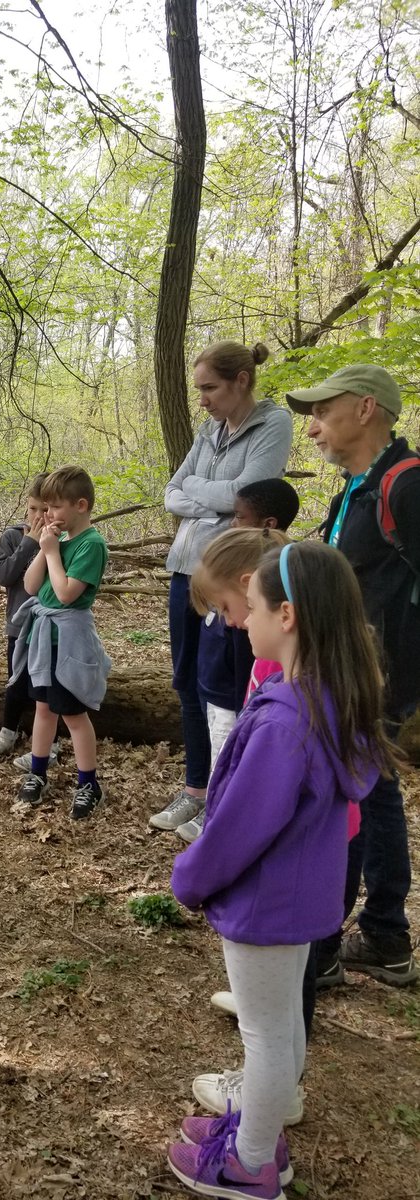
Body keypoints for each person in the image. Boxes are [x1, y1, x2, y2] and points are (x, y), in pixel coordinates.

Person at [167, 541, 395, 1200]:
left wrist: (190, 876)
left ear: (287, 615)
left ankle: (250, 1163)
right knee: (283, 1022)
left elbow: (240, 826)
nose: (241, 622)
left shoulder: (285, 721)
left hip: (266, 901)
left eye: (252, 607)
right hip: (302, 897)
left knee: (264, 1036)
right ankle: (261, 1134)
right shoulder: (329, 698)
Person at [286, 364, 419, 987]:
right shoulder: (357, 487)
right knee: (372, 792)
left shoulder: (406, 486)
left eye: (322, 412)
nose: (312, 428)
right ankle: (381, 937)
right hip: (348, 668)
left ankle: (328, 946)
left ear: (366, 409)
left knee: (353, 796)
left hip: (379, 676)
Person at [152, 342, 293, 832]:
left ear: (241, 381)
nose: (203, 400)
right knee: (187, 680)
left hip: (235, 577)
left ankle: (228, 794)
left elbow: (246, 497)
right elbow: (172, 492)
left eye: (210, 388)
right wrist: (210, 497)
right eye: (199, 390)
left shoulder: (272, 424)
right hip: (187, 569)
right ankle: (196, 788)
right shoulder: (209, 430)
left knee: (230, 686)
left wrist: (199, 491)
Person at [175, 479, 300, 843]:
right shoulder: (267, 652)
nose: (229, 621)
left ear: (248, 587)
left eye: (227, 608)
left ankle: (218, 822)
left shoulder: (279, 662)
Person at [10, 466, 111, 820]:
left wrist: (53, 553)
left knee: (73, 714)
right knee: (43, 709)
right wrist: (44, 548)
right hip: (44, 638)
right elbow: (32, 586)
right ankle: (38, 772)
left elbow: (67, 594)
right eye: (45, 507)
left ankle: (89, 784)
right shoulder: (60, 541)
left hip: (70, 640)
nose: (48, 514)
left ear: (80, 505)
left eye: (54, 507)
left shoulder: (92, 544)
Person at [0, 473, 54, 762]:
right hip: (19, 626)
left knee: (47, 686)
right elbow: (4, 576)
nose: (38, 516)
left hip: (51, 627)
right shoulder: (12, 537)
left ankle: (49, 743)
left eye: (45, 509)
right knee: (16, 682)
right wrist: (29, 543)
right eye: (33, 508)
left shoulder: (64, 538)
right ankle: (8, 733)